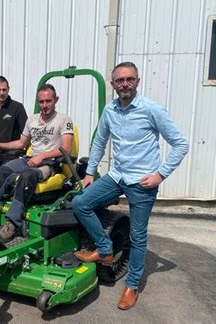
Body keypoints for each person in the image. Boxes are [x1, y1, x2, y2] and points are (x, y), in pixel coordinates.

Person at [71, 62, 189, 310]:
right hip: (117, 176)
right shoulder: (110, 111)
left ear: (137, 81)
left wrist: (161, 175)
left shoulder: (151, 109)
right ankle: (104, 249)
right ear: (113, 84)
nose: (125, 84)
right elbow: (100, 140)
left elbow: (180, 144)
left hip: (143, 183)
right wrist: (90, 172)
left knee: (137, 236)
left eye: (129, 79)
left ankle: (131, 286)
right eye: (119, 80)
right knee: (81, 202)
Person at [0, 84, 74, 242]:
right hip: (30, 159)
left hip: (51, 164)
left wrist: (42, 156)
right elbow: (21, 144)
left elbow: (66, 149)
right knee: (3, 170)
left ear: (56, 100)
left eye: (48, 101)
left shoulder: (63, 120)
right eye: (41, 102)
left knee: (27, 176)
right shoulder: (32, 120)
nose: (45, 105)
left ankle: (11, 224)